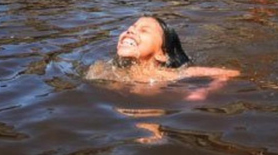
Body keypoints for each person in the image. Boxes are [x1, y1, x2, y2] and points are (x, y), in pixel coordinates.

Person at [87, 15, 239, 97]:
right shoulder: (107, 70)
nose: (130, 31)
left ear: (162, 54)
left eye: (144, 30)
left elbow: (230, 73)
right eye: (130, 28)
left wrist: (203, 91)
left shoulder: (173, 75)